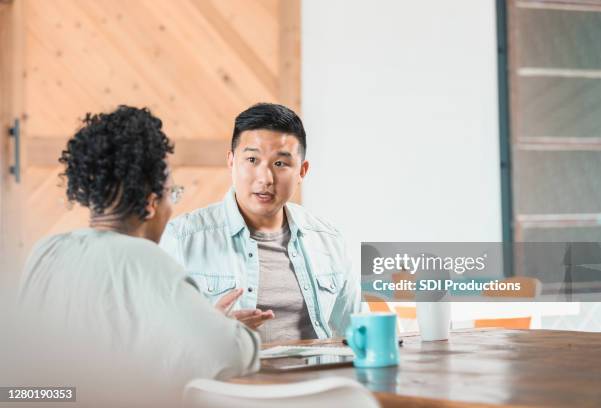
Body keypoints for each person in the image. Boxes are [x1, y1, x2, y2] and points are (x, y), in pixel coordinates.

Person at [17, 106, 259, 405]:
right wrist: (224, 327)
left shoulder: (47, 251)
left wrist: (202, 321)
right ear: (149, 204)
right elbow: (230, 354)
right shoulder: (147, 260)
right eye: (173, 193)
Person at [160, 103, 360, 343]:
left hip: (315, 378)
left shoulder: (328, 239)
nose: (265, 178)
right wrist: (213, 332)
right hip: (228, 378)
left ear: (302, 171)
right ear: (231, 162)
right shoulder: (182, 238)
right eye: (252, 159)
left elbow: (358, 329)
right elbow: (153, 339)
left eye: (280, 163)